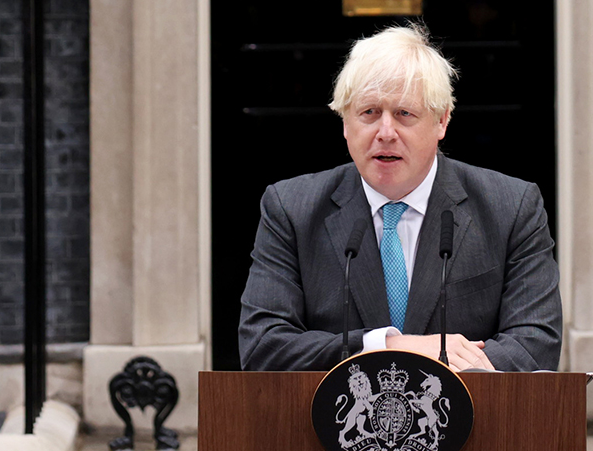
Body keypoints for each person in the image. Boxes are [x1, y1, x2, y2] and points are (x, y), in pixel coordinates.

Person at [238, 24, 562, 372]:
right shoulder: (291, 209)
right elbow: (262, 347)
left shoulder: (511, 207)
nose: (386, 133)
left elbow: (535, 344)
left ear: (441, 121)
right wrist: (390, 346)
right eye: (369, 113)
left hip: (472, 421)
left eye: (405, 114)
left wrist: (443, 373)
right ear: (345, 123)